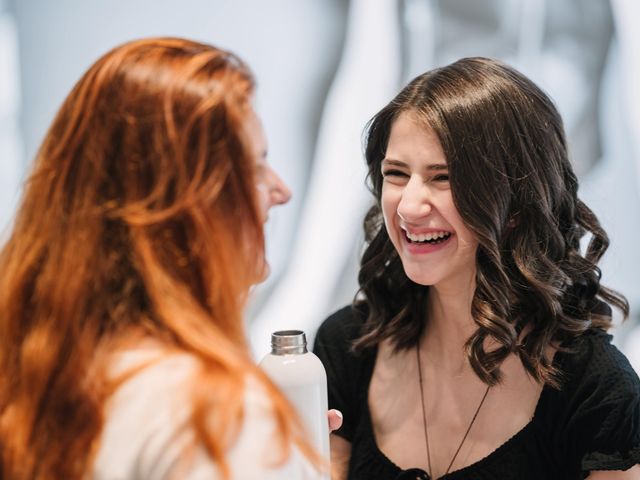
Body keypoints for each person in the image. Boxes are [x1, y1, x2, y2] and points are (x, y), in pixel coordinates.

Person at [0, 37, 336, 479]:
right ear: (189, 207)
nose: (280, 190)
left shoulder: (35, 374)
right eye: (254, 167)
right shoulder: (212, 414)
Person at [314, 57, 640, 480]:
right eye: (396, 173)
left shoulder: (597, 389)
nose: (409, 206)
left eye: (443, 177)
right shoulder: (347, 345)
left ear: (517, 204)